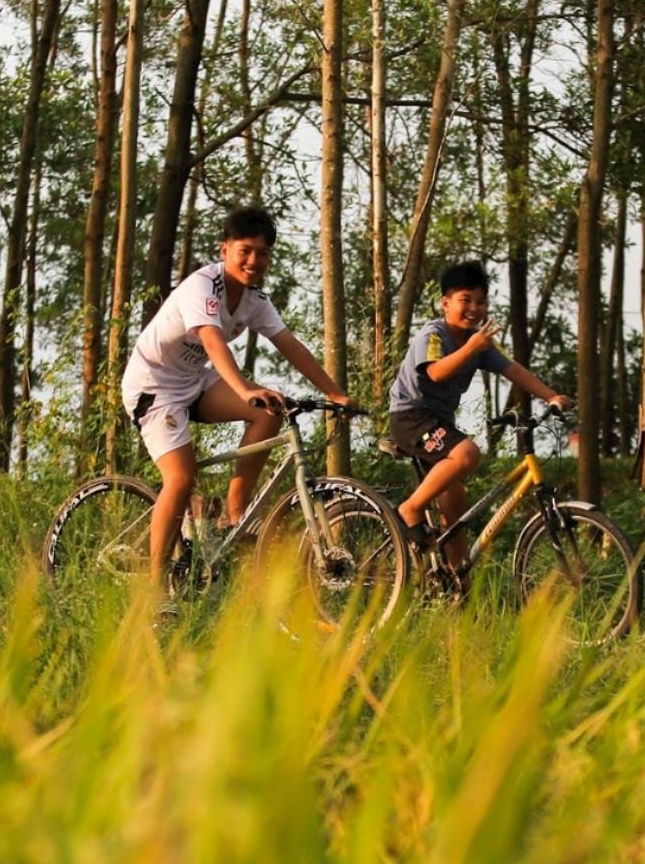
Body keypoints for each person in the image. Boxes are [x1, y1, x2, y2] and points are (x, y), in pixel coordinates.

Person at [120, 205, 351, 587]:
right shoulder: (202, 286)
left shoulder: (254, 299)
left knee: (269, 412)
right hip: (154, 386)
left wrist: (335, 393)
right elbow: (211, 341)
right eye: (245, 250)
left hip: (193, 382)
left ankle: (235, 512)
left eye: (262, 253)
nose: (253, 260)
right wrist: (245, 389)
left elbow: (288, 343)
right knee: (181, 478)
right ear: (224, 249)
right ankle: (155, 583)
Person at [388, 259, 571, 572]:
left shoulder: (479, 343)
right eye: (465, 300)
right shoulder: (433, 336)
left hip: (439, 424)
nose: (474, 308)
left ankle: (457, 585)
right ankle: (411, 508)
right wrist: (472, 348)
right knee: (468, 453)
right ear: (445, 303)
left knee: (454, 512)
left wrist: (550, 396)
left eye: (481, 301)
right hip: (411, 417)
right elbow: (435, 373)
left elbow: (513, 369)